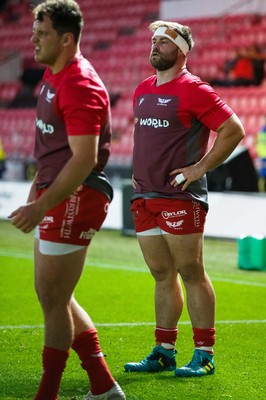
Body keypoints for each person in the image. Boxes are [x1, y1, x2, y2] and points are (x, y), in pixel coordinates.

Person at [8, 1, 126, 399]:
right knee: (53, 295)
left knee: (54, 299)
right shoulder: (52, 74)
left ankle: (48, 393)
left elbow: (84, 157)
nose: (33, 40)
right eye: (34, 32)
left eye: (41, 34)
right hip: (56, 190)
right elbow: (53, 148)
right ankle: (104, 386)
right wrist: (36, 192)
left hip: (78, 193)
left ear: (66, 38)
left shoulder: (80, 84)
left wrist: (41, 205)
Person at [124, 20, 245, 377]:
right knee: (161, 274)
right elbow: (146, 136)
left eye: (164, 41)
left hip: (181, 196)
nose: (155, 46)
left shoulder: (195, 89)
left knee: (191, 272)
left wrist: (198, 168)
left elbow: (233, 130)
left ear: (181, 51)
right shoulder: (142, 89)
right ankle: (164, 351)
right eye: (154, 41)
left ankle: (204, 354)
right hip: (145, 195)